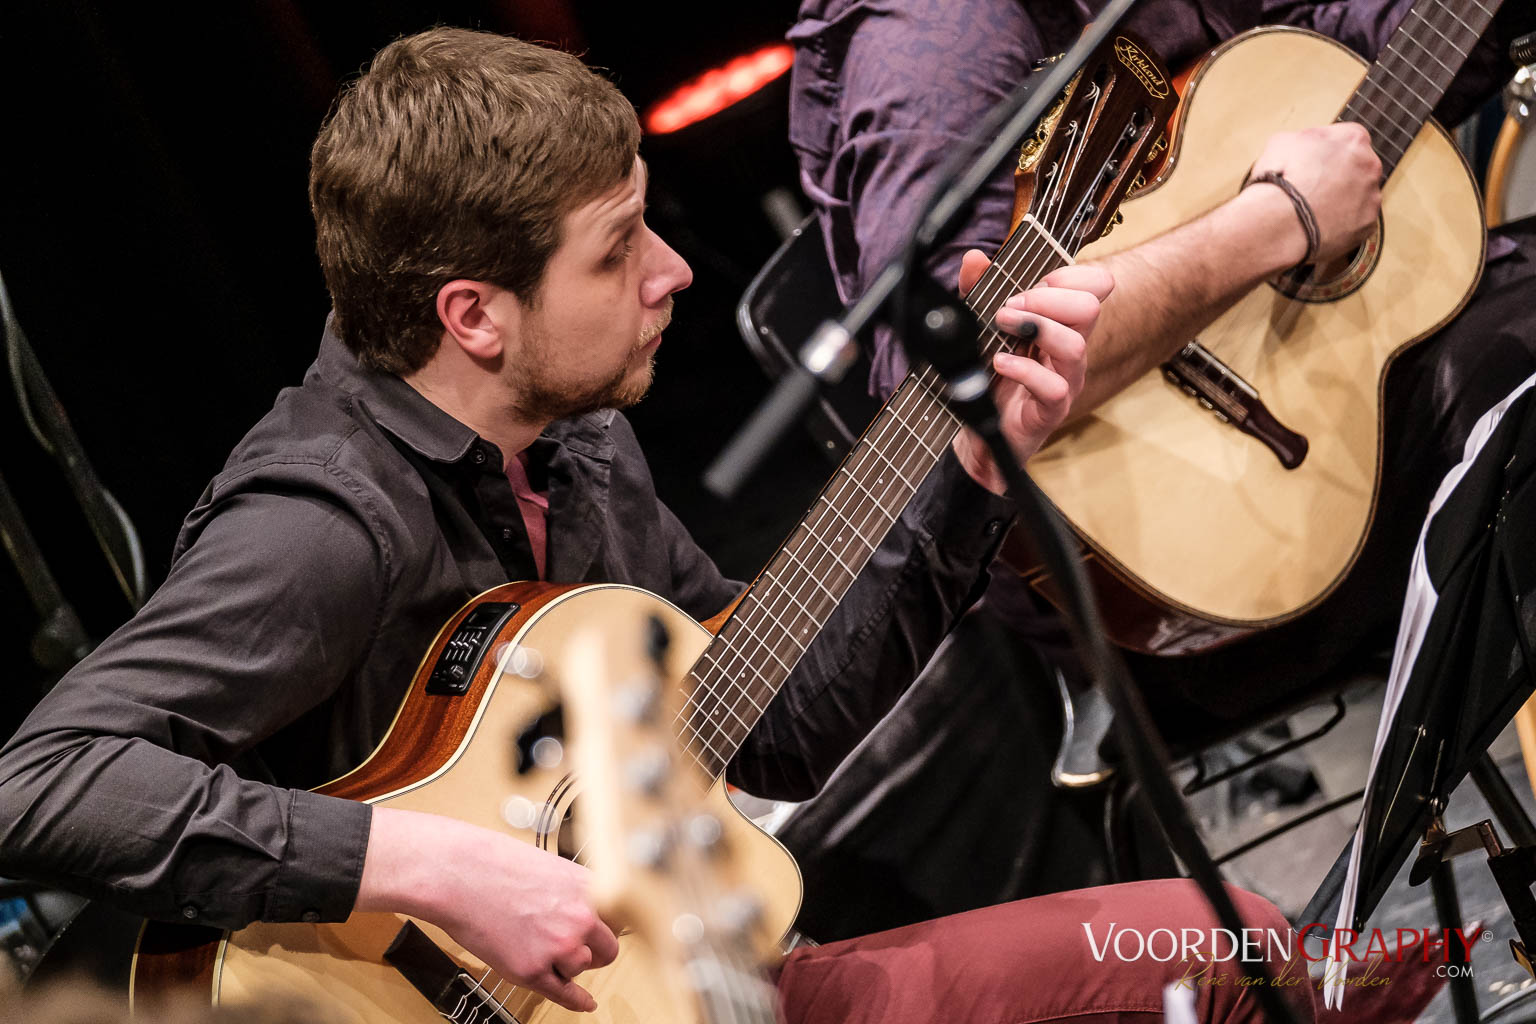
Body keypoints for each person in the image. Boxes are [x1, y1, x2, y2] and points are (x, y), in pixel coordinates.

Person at [0, 26, 1315, 1024]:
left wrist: (971, 470)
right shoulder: (323, 524)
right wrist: (432, 869)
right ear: (473, 315)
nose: (674, 270)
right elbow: (39, 780)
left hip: (679, 993)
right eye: (619, 246)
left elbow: (768, 722)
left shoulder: (575, 442)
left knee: (1228, 949)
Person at [779, 0, 1536, 942]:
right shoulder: (933, 43)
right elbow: (962, 391)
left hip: (1339, 402)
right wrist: (1276, 221)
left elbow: (1337, 53)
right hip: (1177, 566)